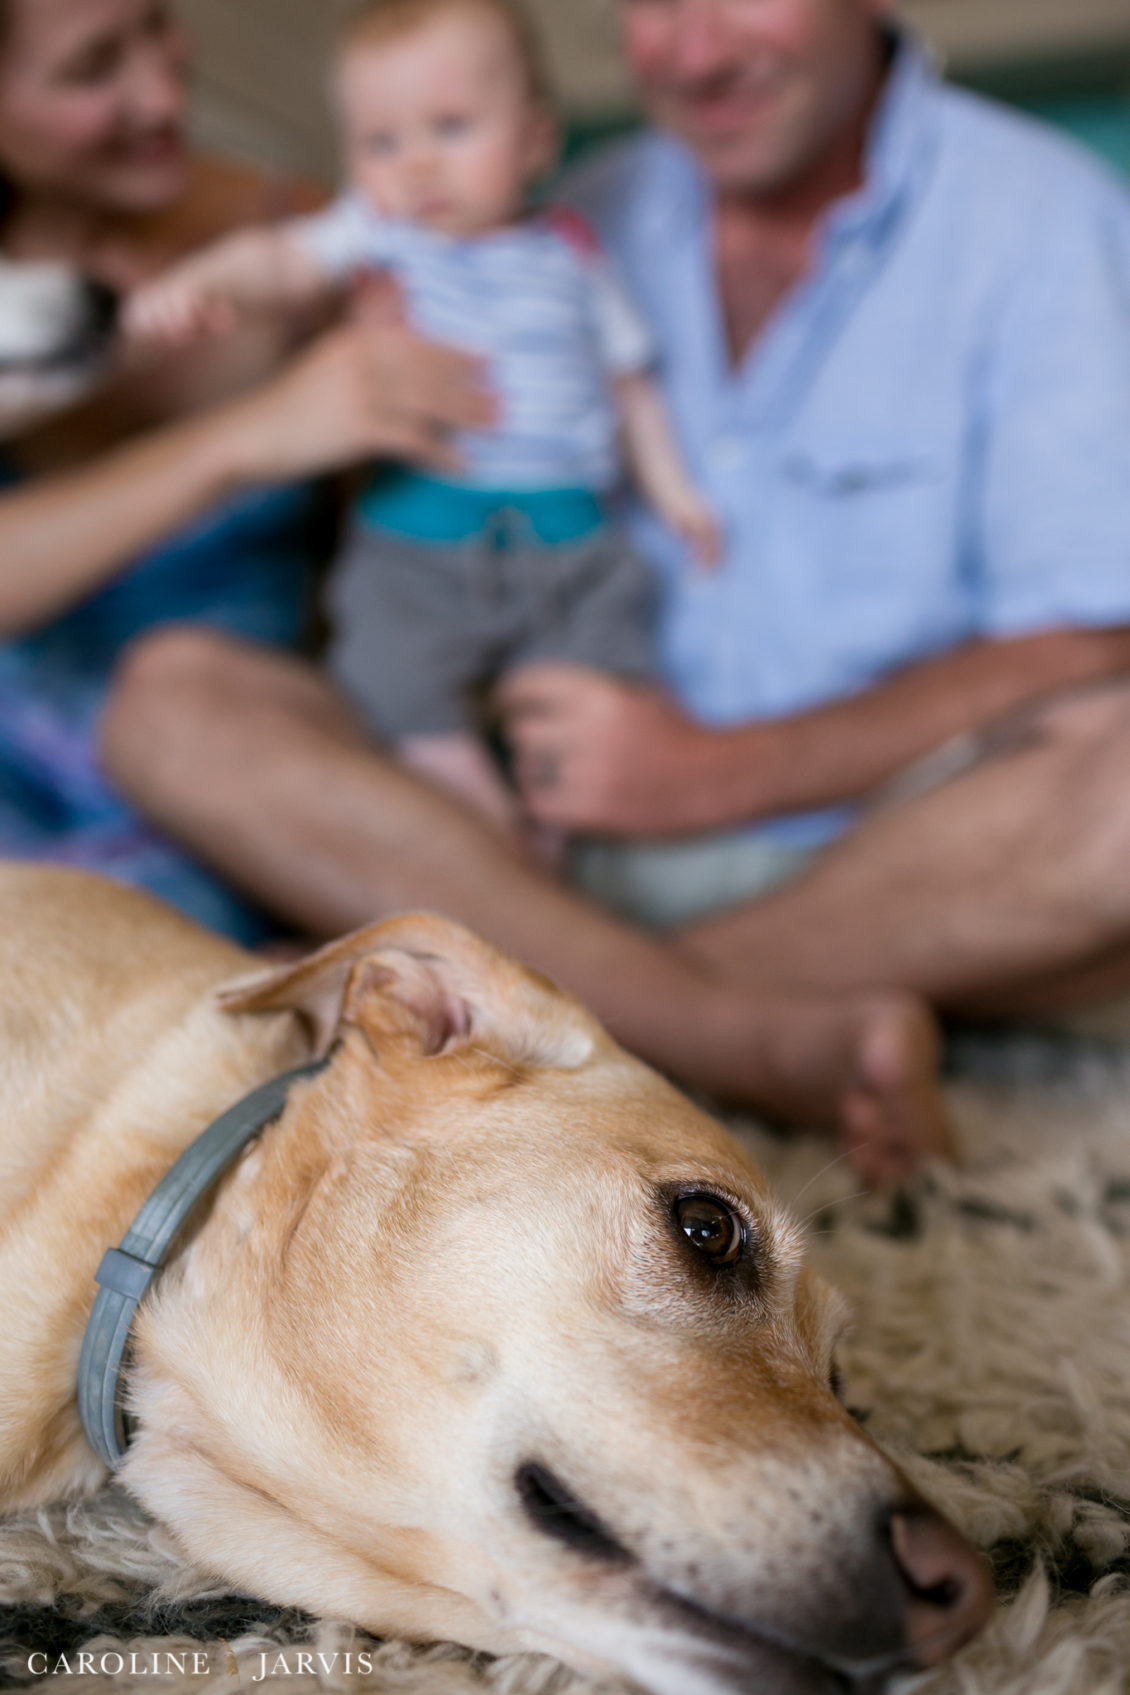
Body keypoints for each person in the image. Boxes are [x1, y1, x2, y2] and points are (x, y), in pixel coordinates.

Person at [115, 0, 1130, 1184]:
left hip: (893, 849)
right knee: (171, 697)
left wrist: (709, 771)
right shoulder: (565, 207)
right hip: (521, 838)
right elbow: (418, 556)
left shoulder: (1041, 215)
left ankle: (529, 1008)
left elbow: (1087, 642)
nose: (692, 50)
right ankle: (740, 1031)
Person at [127, 0, 719, 846]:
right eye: (381, 142)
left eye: (451, 127)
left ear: (536, 140)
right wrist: (206, 284)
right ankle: (465, 794)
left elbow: (631, 385)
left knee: (597, 680)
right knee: (385, 667)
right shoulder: (383, 237)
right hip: (419, 536)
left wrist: (675, 491)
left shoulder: (572, 254)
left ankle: (553, 838)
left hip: (572, 540)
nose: (416, 165)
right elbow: (283, 260)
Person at [0, 0, 499, 943]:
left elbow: (411, 573)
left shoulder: (303, 238)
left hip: (228, 761)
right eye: (92, 67)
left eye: (158, 23)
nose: (163, 93)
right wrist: (249, 437)